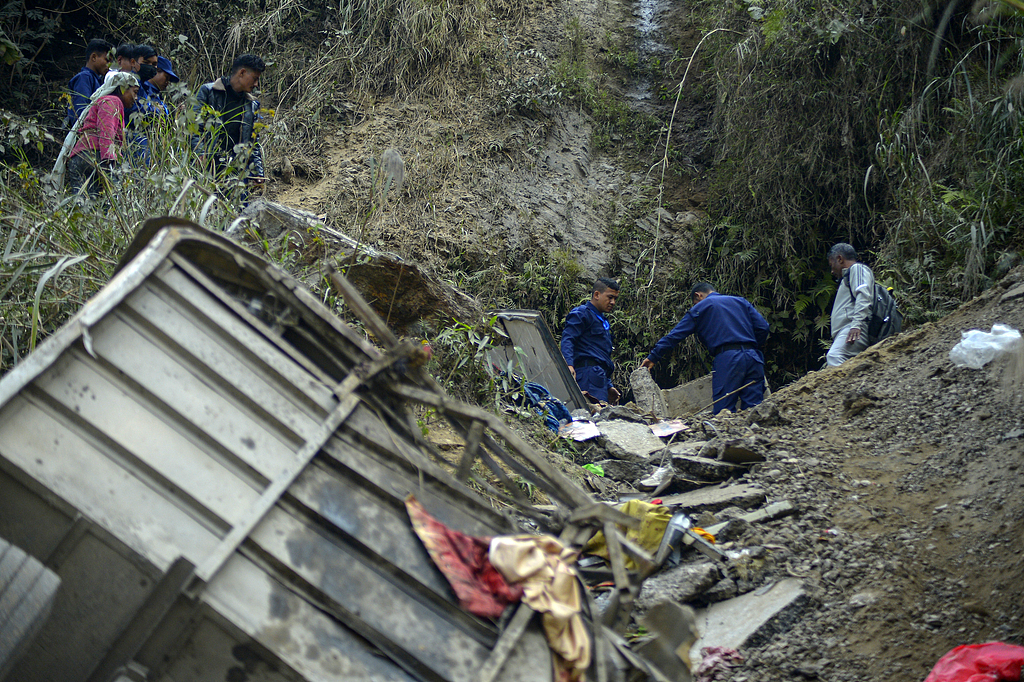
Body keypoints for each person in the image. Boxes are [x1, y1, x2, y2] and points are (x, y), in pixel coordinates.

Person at [641, 283, 769, 414]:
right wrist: (751, 348)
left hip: (728, 359)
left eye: (694, 303)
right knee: (754, 412)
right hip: (754, 358)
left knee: (723, 413)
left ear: (698, 295)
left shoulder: (701, 307)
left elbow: (674, 336)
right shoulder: (740, 301)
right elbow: (763, 327)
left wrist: (653, 357)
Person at [194, 54, 266, 187]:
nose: (256, 84)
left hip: (236, 171)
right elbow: (194, 127)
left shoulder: (251, 104)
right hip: (207, 166)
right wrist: (200, 154)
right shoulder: (208, 92)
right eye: (255, 78)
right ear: (242, 73)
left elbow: (253, 143)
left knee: (240, 200)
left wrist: (258, 172)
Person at [65, 72, 139, 196]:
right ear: (122, 89)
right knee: (112, 199)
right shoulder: (112, 101)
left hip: (79, 156)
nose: (136, 98)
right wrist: (109, 157)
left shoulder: (103, 101)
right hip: (95, 154)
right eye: (135, 92)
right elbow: (106, 128)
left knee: (83, 201)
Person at [561, 278, 621, 404]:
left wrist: (608, 385)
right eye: (610, 297)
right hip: (587, 375)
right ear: (597, 295)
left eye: (615, 298)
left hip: (599, 377)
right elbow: (568, 339)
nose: (613, 302)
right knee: (592, 412)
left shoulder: (601, 320)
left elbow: (600, 356)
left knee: (599, 411)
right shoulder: (582, 314)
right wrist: (568, 365)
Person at [825, 243, 874, 367]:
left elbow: (863, 295)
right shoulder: (849, 276)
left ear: (840, 259)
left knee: (835, 356)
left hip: (854, 328)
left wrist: (856, 324)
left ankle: (846, 381)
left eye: (832, 265)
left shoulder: (857, 269)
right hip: (850, 329)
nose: (832, 271)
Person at [66, 38, 113, 126]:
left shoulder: (98, 81)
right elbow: (81, 111)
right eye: (107, 60)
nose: (109, 65)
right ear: (94, 57)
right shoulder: (84, 78)